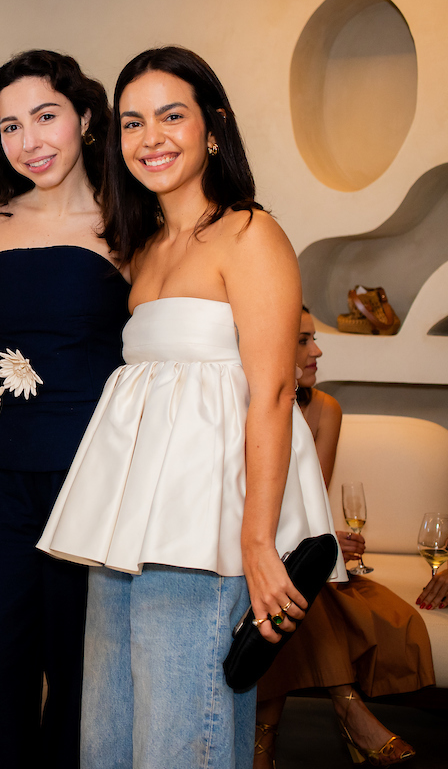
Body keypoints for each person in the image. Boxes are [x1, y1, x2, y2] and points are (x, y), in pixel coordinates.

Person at [37, 46, 347, 768]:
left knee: (185, 741)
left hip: (202, 537)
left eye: (171, 116)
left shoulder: (250, 233)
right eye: (134, 122)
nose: (152, 137)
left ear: (213, 127)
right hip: (124, 536)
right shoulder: (143, 248)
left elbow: (272, 394)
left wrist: (258, 544)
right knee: (106, 744)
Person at [0, 50, 128, 769]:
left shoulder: (126, 219)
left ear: (84, 116)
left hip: (93, 479)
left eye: (45, 116)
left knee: (84, 682)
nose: (30, 141)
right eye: (10, 126)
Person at [253, 307, 432, 767]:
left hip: (295, 555)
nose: (317, 349)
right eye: (303, 339)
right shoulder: (243, 401)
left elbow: (308, 502)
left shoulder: (324, 409)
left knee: (296, 593)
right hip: (258, 552)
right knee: (291, 593)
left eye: (314, 338)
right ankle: (350, 711)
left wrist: (327, 537)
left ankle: (262, 743)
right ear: (272, 342)